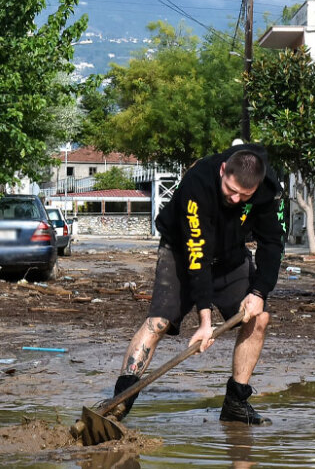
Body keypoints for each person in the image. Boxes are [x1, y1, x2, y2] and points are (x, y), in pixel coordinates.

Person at [107, 143, 285, 425]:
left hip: (230, 255)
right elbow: (196, 253)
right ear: (223, 170)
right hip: (182, 251)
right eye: (231, 190)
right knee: (159, 322)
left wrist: (259, 292)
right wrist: (205, 320)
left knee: (259, 318)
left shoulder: (270, 188)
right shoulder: (198, 180)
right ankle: (118, 404)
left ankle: (236, 403)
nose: (237, 200)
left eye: (245, 195)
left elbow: (273, 243)